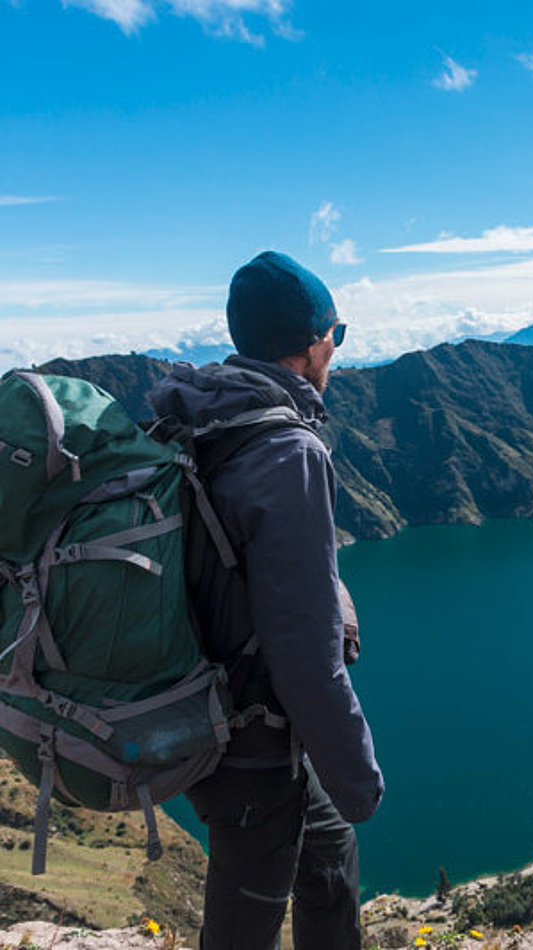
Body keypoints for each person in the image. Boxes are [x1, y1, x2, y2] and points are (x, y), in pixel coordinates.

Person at [148, 250, 384, 950]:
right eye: (336, 337)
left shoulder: (198, 414)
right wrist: (361, 778)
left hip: (207, 704)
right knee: (243, 928)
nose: (336, 354)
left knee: (330, 857)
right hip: (248, 748)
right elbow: (306, 653)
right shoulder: (288, 452)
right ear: (313, 343)